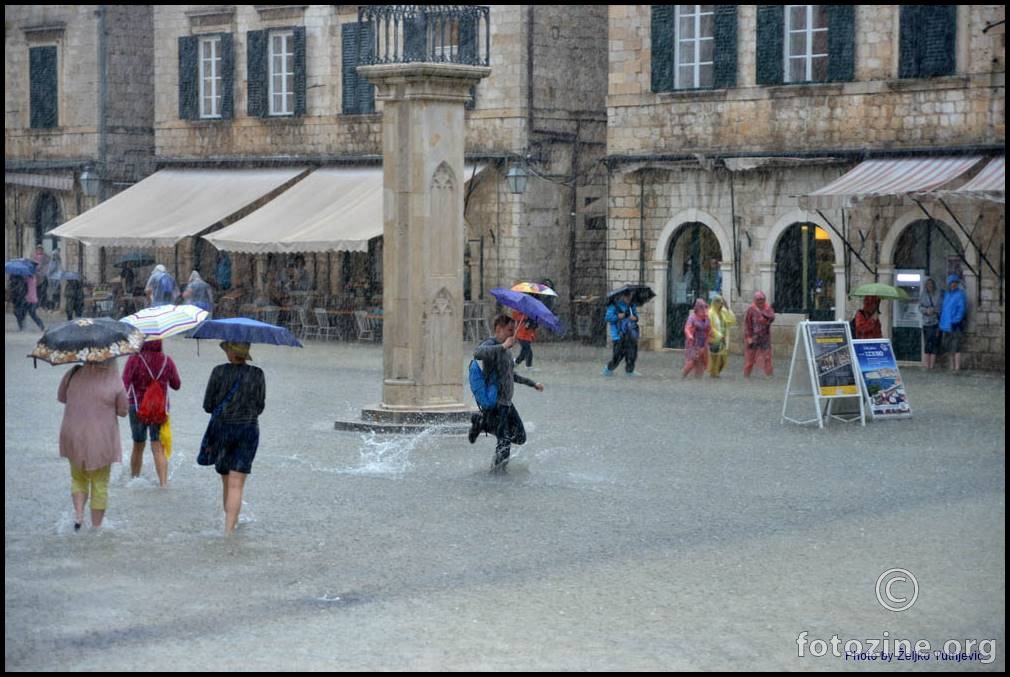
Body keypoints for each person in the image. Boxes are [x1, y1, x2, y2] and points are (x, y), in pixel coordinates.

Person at [57, 360, 129, 530]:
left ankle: (79, 516)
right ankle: (96, 529)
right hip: (101, 438)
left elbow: (62, 397)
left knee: (78, 478)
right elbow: (123, 411)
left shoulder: (73, 372)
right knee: (99, 483)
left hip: (73, 433)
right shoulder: (114, 380)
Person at [202, 341, 266, 533]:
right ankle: (230, 529)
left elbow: (207, 406)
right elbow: (260, 407)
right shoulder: (257, 374)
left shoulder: (218, 372)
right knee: (237, 483)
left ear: (230, 352)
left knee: (226, 481)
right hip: (248, 429)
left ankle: (228, 525)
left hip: (222, 429)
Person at [468, 315, 544, 472]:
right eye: (510, 330)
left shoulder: (508, 352)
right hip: (496, 401)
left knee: (520, 437)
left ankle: (482, 423)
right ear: (498, 329)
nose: (513, 333)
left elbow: (511, 375)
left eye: (514, 330)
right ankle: (497, 473)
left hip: (507, 402)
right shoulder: (492, 343)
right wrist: (502, 346)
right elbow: (477, 353)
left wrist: (532, 384)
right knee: (504, 440)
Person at [122, 340, 181, 487]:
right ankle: (163, 484)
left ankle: (134, 480)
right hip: (159, 410)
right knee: (158, 446)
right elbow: (177, 385)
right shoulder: (167, 360)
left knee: (138, 445)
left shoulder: (134, 359)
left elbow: (124, 384)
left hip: (137, 407)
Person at [602, 290, 639, 376]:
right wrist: (618, 316)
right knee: (618, 356)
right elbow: (607, 318)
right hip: (618, 335)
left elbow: (636, 317)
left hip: (630, 334)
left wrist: (635, 318)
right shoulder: (614, 305)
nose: (629, 299)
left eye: (630, 297)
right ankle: (608, 369)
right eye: (627, 297)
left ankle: (630, 371)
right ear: (623, 296)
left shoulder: (631, 305)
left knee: (632, 354)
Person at [743, 290, 775, 378]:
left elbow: (772, 317)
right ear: (755, 300)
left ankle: (769, 375)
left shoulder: (768, 308)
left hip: (765, 337)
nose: (760, 302)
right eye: (758, 300)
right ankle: (746, 375)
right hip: (754, 337)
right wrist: (748, 337)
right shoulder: (751, 309)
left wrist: (765, 316)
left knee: (767, 357)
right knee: (750, 358)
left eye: (762, 299)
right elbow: (747, 324)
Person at [939, 273, 967, 372]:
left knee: (956, 346)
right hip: (946, 326)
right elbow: (944, 310)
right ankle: (951, 366)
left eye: (955, 283)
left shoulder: (960, 295)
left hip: (955, 325)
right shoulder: (946, 295)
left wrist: (955, 321)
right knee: (949, 347)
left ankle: (957, 367)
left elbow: (961, 310)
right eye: (951, 283)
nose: (953, 285)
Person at [707, 294, 736, 378]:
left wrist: (728, 308)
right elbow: (709, 327)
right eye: (718, 301)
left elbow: (732, 320)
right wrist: (718, 335)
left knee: (723, 360)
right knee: (715, 359)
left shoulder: (723, 312)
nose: (720, 304)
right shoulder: (710, 313)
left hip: (723, 340)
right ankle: (714, 375)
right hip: (714, 339)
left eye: (721, 302)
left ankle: (716, 374)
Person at [682, 298, 711, 378]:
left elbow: (709, 329)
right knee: (691, 361)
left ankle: (698, 381)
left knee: (701, 362)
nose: (703, 308)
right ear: (697, 308)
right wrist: (690, 336)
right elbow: (687, 328)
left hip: (703, 343)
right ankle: (682, 377)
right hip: (693, 343)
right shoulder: (692, 317)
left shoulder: (707, 318)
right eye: (701, 307)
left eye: (705, 306)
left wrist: (710, 337)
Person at [919, 277, 943, 370]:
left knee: (934, 343)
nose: (930, 286)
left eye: (931, 284)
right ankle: (927, 365)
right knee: (927, 343)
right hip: (926, 322)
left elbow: (941, 307)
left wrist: (933, 310)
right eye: (928, 284)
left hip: (936, 322)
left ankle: (932, 365)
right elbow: (920, 306)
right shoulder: (923, 295)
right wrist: (926, 310)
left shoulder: (938, 295)